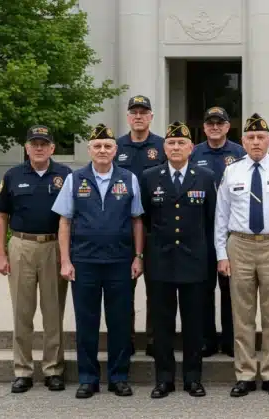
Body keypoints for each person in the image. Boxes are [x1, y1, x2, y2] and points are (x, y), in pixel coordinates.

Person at [51, 124, 145, 399]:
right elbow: (65, 221)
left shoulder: (129, 179)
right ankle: (88, 378)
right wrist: (65, 260)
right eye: (97, 146)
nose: (102, 150)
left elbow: (137, 220)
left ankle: (118, 377)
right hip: (85, 263)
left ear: (115, 150)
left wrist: (138, 257)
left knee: (119, 323)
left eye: (107, 146)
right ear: (89, 150)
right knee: (87, 322)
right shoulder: (74, 179)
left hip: (119, 262)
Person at [215, 113, 269, 398]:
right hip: (239, 244)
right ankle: (246, 373)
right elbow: (221, 217)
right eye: (250, 137)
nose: (255, 142)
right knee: (243, 314)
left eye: (260, 137)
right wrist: (221, 254)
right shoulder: (232, 171)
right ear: (243, 141)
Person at [140, 121, 217, 399]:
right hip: (160, 260)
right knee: (162, 324)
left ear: (190, 148)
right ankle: (164, 379)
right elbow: (146, 219)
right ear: (164, 147)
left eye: (181, 143)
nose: (175, 147)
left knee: (194, 323)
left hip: (195, 261)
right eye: (171, 143)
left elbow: (212, 220)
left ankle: (193, 378)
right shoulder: (150, 177)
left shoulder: (205, 177)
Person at [0, 125, 72, 393]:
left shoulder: (65, 175)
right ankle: (22, 370)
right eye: (34, 143)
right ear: (26, 148)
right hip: (22, 246)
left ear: (52, 148)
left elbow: (70, 218)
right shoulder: (13, 175)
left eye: (44, 143)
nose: (39, 147)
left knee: (53, 312)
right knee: (21, 312)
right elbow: (1, 216)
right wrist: (1, 254)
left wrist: (68, 256)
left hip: (53, 247)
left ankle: (53, 369)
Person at [191, 105, 247, 358]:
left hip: (231, 231)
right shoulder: (194, 153)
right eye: (210, 123)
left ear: (227, 126)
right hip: (201, 229)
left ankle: (230, 339)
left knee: (230, 289)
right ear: (204, 127)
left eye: (219, 123)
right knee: (203, 289)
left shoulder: (239, 153)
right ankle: (205, 339)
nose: (214, 127)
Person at [114, 95, 166, 356]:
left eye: (143, 112)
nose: (138, 116)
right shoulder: (116, 147)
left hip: (154, 226)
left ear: (151, 117)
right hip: (124, 227)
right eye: (134, 112)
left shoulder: (162, 146)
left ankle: (155, 339)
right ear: (128, 117)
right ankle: (127, 339)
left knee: (156, 289)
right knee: (125, 290)